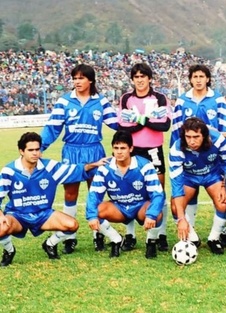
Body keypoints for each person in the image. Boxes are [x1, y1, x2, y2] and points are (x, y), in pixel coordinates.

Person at [40, 64, 119, 254]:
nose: (77, 82)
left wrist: (140, 126)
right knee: (70, 194)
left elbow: (117, 123)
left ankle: (97, 234)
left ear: (90, 80)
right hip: (72, 152)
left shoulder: (101, 101)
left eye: (81, 78)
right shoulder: (65, 101)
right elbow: (53, 127)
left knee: (96, 193)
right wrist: (40, 147)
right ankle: (69, 236)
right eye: (74, 78)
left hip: (94, 151)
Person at [0, 132, 106, 266]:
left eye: (37, 149)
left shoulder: (49, 167)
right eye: (30, 150)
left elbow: (74, 170)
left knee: (72, 225)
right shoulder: (9, 171)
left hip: (43, 214)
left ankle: (49, 244)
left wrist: (94, 164)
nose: (35, 153)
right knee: (0, 227)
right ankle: (9, 251)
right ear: (21, 151)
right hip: (17, 215)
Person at [170, 64, 226, 247]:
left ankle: (217, 235)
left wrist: (224, 183)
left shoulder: (218, 100)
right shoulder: (182, 101)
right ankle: (191, 234)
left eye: (201, 76)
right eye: (194, 76)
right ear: (190, 79)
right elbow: (175, 129)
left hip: (212, 166)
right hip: (189, 169)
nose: (198, 80)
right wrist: (181, 147)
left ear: (207, 79)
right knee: (178, 203)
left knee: (223, 199)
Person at [85, 130, 165, 258]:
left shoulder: (144, 165)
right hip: (119, 207)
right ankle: (116, 239)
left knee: (157, 213)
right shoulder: (105, 168)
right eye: (116, 148)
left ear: (131, 148)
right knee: (96, 211)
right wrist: (91, 216)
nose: (119, 152)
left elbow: (158, 194)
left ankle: (151, 242)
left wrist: (151, 215)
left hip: (140, 206)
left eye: (123, 148)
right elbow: (94, 194)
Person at [118, 63, 171, 253]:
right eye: (136, 77)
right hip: (133, 150)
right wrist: (149, 120)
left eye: (143, 76)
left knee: (159, 191)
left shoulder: (159, 98)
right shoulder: (126, 98)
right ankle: (130, 235)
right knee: (129, 190)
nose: (139, 80)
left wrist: (139, 119)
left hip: (154, 149)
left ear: (150, 78)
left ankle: (160, 235)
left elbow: (164, 126)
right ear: (132, 79)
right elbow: (124, 127)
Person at [169, 117, 226, 254]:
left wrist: (224, 186)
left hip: (212, 174)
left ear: (204, 135)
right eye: (188, 137)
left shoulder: (218, 140)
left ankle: (214, 239)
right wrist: (181, 219)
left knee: (223, 202)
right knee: (175, 206)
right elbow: (177, 185)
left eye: (196, 137)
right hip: (189, 177)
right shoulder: (176, 148)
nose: (191, 141)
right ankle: (192, 238)